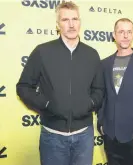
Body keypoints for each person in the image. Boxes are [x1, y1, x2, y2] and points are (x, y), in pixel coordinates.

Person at [16, 1, 104, 165]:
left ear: (80, 22)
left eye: (75, 19)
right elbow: (23, 87)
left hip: (84, 136)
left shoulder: (92, 54)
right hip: (52, 137)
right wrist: (47, 103)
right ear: (58, 25)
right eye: (65, 20)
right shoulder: (42, 52)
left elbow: (99, 89)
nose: (71, 25)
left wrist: (89, 103)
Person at [97, 18, 133, 165]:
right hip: (110, 136)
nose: (125, 36)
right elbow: (102, 97)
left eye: (129, 32)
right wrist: (101, 124)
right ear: (114, 35)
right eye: (121, 32)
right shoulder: (104, 64)